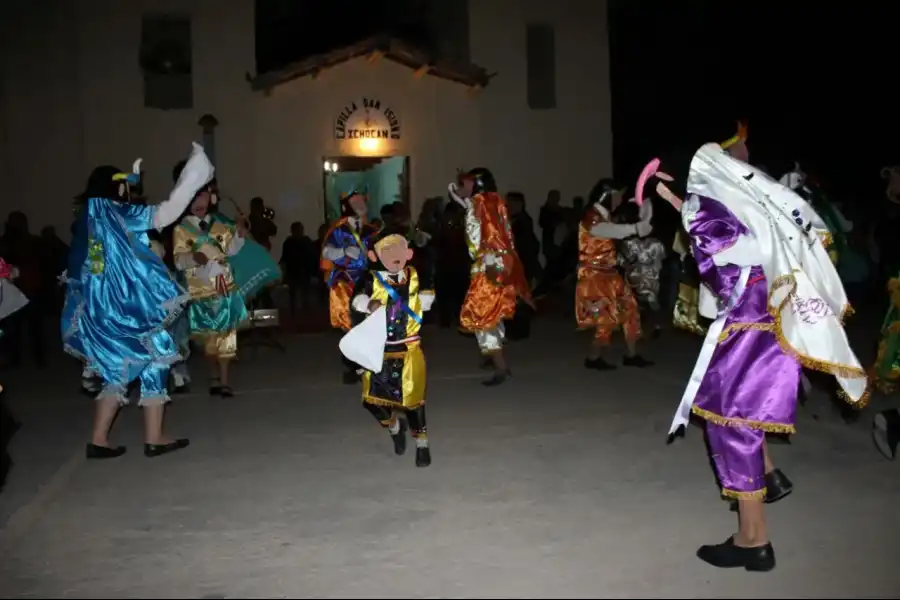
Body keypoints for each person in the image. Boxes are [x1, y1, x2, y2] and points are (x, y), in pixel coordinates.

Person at [635, 138, 868, 571]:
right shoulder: (732, 202)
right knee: (724, 412)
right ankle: (769, 476)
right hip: (760, 323)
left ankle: (753, 540)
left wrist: (692, 215)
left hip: (753, 329)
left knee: (732, 423)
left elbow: (740, 253)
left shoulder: (710, 207)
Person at [63, 143, 214, 459]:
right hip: (129, 314)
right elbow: (166, 213)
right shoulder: (115, 213)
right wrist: (194, 176)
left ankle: (116, 438)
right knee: (144, 361)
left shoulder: (91, 219)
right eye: (124, 187)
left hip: (105, 314)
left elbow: (93, 266)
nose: (128, 192)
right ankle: (138, 437)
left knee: (135, 367)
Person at [344, 228, 436, 467]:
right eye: (387, 249)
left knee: (413, 401)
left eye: (398, 248)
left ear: (408, 252)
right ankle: (394, 427)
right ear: (374, 256)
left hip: (409, 349)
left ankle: (422, 443)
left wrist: (427, 296)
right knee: (372, 400)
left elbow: (428, 293)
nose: (394, 254)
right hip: (379, 349)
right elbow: (356, 299)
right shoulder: (370, 279)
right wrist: (368, 304)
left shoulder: (417, 275)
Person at [448, 168, 533, 386]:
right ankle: (493, 358)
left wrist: (492, 263)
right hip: (488, 265)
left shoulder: (484, 202)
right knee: (490, 316)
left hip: (488, 267)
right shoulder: (486, 201)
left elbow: (493, 235)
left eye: (465, 183)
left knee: (482, 317)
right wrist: (462, 201)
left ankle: (500, 366)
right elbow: (481, 226)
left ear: (476, 183)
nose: (461, 187)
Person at [172, 182, 250, 397]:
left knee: (226, 335)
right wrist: (193, 258)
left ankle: (224, 381)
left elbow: (231, 250)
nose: (199, 203)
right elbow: (178, 260)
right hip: (200, 291)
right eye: (194, 198)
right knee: (208, 338)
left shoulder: (220, 225)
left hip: (224, 288)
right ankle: (213, 376)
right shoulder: (181, 229)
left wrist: (239, 234)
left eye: (204, 198)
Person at [575, 178, 653, 370]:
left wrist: (643, 211)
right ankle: (594, 358)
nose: (619, 199)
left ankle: (632, 354)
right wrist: (634, 228)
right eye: (617, 195)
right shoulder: (592, 217)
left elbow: (614, 231)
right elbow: (606, 231)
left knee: (630, 309)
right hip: (595, 276)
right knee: (604, 317)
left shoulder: (605, 216)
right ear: (607, 196)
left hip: (609, 274)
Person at [321, 190, 380, 384]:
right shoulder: (339, 229)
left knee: (369, 321)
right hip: (344, 280)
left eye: (362, 200)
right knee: (349, 324)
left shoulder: (372, 230)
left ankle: (368, 363)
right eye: (355, 201)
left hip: (367, 280)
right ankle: (351, 365)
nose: (361, 203)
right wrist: (343, 251)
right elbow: (327, 252)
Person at [280, 221, 315, 315]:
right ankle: (299, 310)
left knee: (300, 293)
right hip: (297, 270)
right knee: (297, 293)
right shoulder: (292, 242)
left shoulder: (290, 242)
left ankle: (299, 310)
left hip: (299, 270)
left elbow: (285, 258)